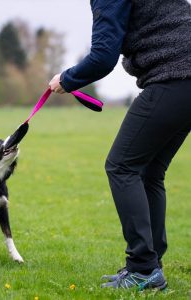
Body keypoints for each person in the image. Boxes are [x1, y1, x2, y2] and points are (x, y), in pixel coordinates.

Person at [49, 0, 191, 290]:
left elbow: (103, 56)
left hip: (174, 78)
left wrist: (67, 79)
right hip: (182, 81)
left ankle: (143, 268)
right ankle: (151, 266)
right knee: (150, 171)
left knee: (121, 165)